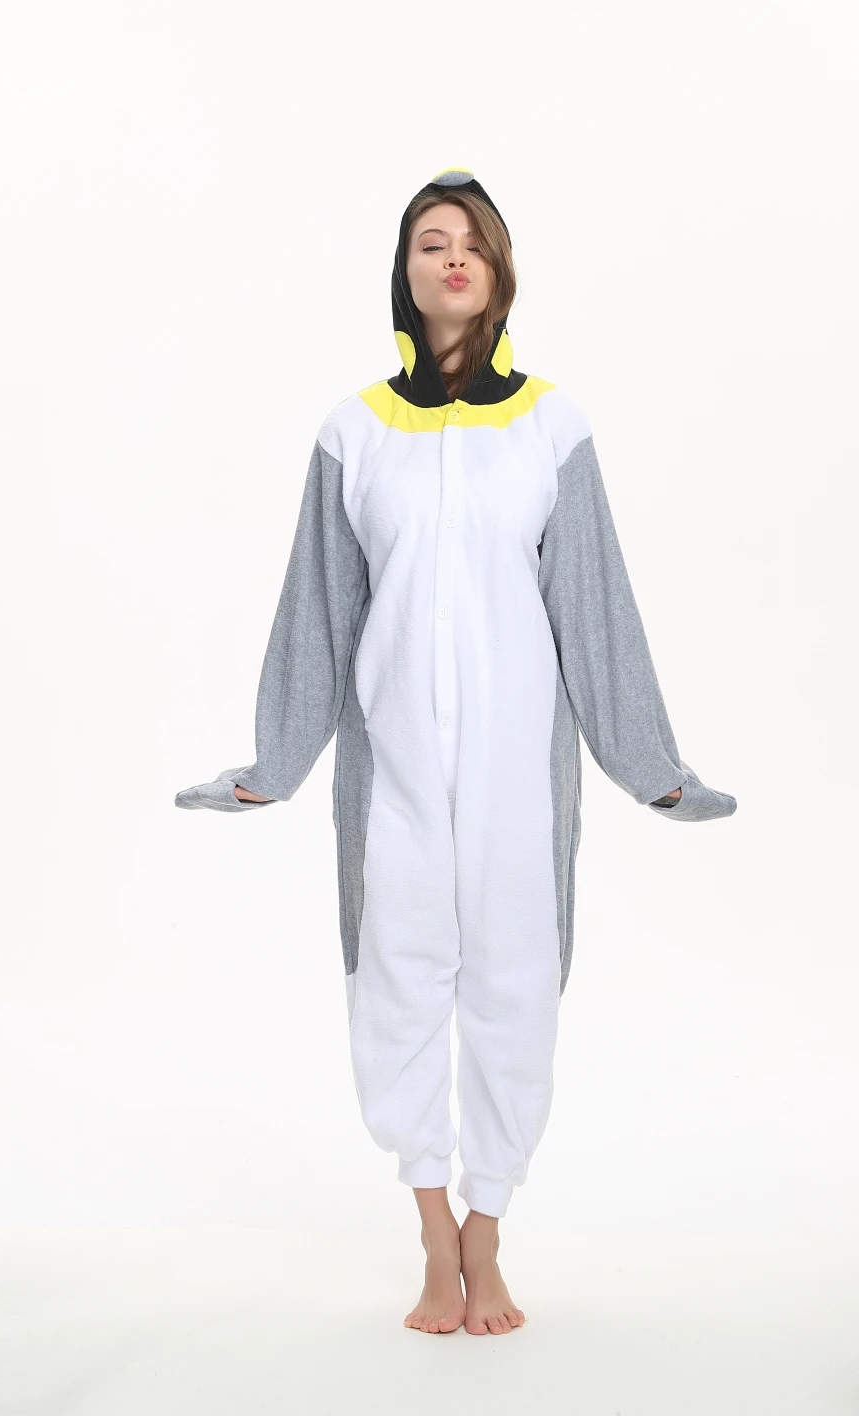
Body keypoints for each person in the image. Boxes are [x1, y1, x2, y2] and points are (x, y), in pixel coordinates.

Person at [175, 166, 738, 1336]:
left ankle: (489, 1226)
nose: (451, 257)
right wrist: (275, 762)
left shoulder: (549, 425)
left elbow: (592, 607)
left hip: (517, 776)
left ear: (497, 270)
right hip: (390, 772)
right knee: (394, 984)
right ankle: (433, 1231)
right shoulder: (353, 433)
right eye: (431, 241)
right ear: (405, 271)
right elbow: (318, 612)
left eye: (470, 242)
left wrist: (650, 766)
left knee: (512, 989)